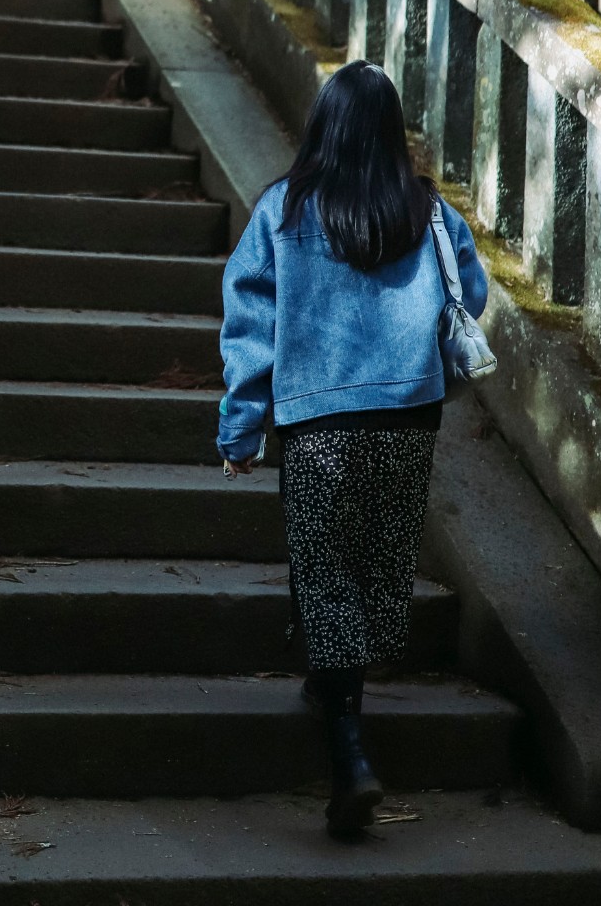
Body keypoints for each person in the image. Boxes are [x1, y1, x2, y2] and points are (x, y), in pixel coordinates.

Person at [218, 60, 486, 840]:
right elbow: (466, 296)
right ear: (389, 129)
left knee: (323, 563)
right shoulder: (427, 212)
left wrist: (241, 427)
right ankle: (331, 691)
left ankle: (349, 759)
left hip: (317, 419)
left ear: (323, 126)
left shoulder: (284, 209)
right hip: (407, 416)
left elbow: (249, 326)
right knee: (370, 567)